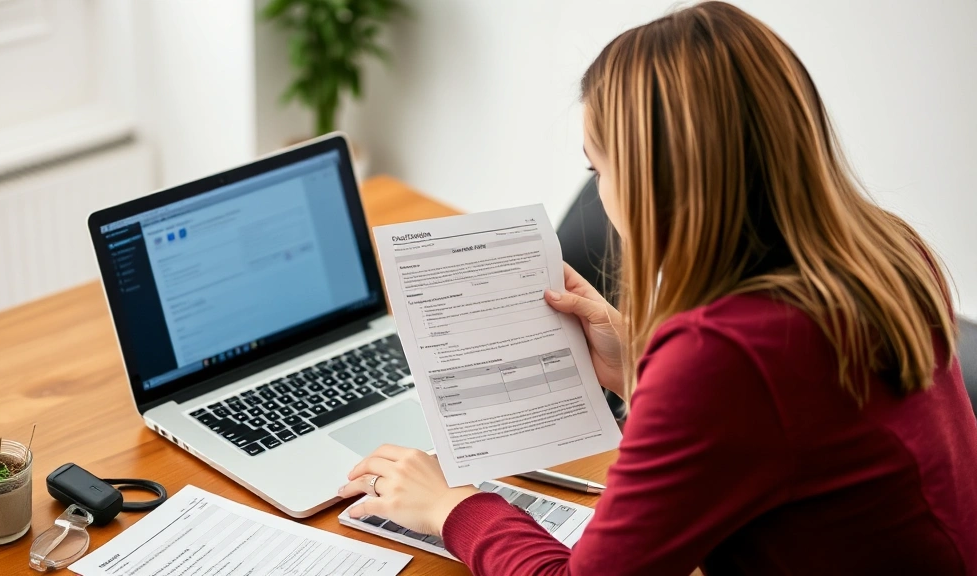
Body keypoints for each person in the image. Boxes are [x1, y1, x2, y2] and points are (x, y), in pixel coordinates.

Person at [337, 2, 977, 574]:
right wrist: (639, 366)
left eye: (597, 168)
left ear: (651, 181)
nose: (599, 192)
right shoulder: (884, 249)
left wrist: (453, 508)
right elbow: (775, 431)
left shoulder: (728, 355)